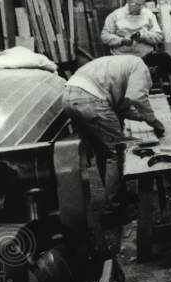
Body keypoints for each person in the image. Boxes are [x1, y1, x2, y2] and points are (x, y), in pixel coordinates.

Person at [62, 55, 165, 205]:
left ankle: (116, 196)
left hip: (69, 97)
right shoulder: (140, 66)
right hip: (92, 99)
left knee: (101, 151)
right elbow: (137, 97)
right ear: (154, 69)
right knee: (115, 152)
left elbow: (123, 108)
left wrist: (143, 118)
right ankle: (116, 205)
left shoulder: (123, 64)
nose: (153, 81)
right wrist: (155, 123)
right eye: (157, 76)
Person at [100, 0, 164, 57]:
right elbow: (105, 36)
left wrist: (143, 36)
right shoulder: (116, 15)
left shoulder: (148, 14)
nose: (139, 7)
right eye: (136, 4)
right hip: (121, 56)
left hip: (145, 56)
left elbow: (159, 37)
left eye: (141, 4)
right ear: (129, 2)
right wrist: (122, 41)